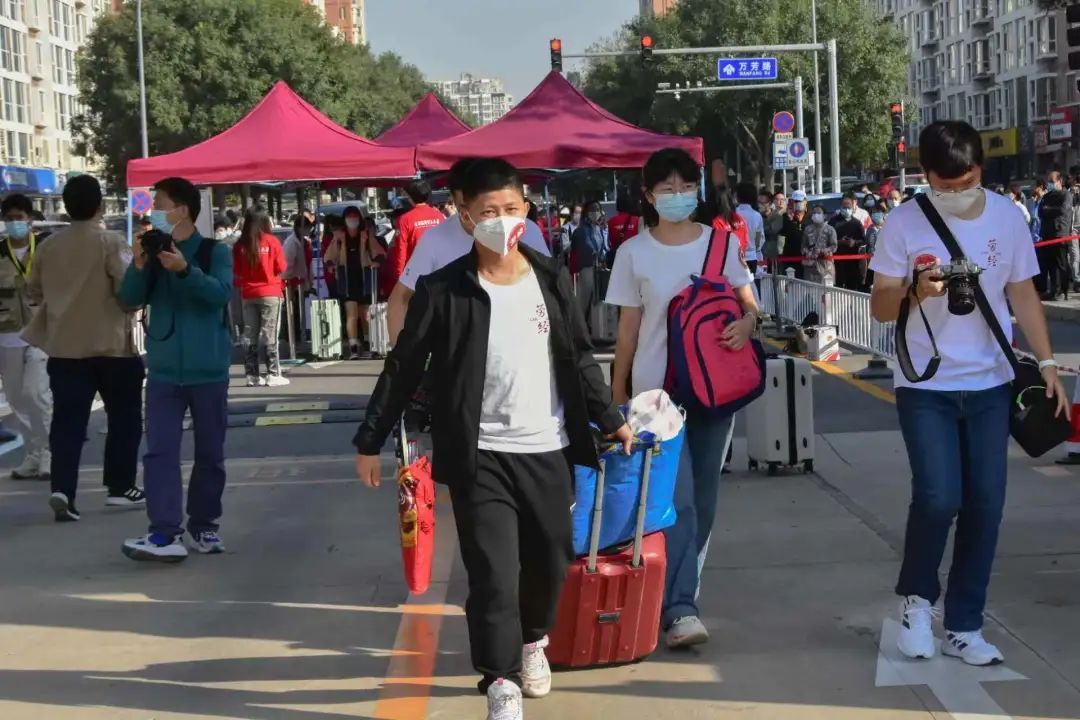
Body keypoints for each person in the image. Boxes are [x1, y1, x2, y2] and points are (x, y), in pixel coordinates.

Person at [354, 158, 631, 720]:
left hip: (547, 447)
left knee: (550, 560)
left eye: (510, 209)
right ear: (464, 215)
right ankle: (499, 680)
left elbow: (578, 358)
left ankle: (533, 641)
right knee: (493, 574)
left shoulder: (549, 278)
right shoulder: (443, 289)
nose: (501, 221)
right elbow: (403, 366)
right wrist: (370, 438)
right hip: (479, 454)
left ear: (526, 209)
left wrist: (611, 418)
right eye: (488, 212)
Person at [869, 120, 1067, 667]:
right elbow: (880, 305)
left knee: (985, 504)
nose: (957, 192)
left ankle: (964, 624)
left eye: (967, 181)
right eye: (945, 185)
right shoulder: (904, 222)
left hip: (990, 383)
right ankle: (917, 604)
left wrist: (1047, 362)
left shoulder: (1007, 216)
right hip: (926, 384)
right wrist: (915, 291)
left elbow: (1022, 294)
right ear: (926, 175)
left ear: (981, 167)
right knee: (938, 497)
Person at [606, 147, 757, 649]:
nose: (678, 195)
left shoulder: (721, 243)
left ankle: (680, 591)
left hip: (715, 389)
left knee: (705, 499)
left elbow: (749, 304)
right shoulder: (633, 253)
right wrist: (617, 395)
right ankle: (680, 609)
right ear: (648, 196)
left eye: (686, 186)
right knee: (679, 499)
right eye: (667, 188)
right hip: (656, 395)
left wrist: (747, 324)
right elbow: (628, 330)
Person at [117, 176, 233, 561]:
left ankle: (204, 525)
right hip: (164, 372)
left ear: (182, 210)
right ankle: (164, 533)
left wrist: (185, 270)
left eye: (160, 205)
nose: (154, 212)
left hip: (208, 370)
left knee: (210, 454)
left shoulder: (214, 251)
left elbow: (219, 295)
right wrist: (138, 264)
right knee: (160, 453)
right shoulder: (152, 255)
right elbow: (128, 300)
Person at [23, 175, 145, 521]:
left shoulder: (48, 246)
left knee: (67, 423)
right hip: (111, 347)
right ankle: (120, 487)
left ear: (66, 206)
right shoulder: (110, 241)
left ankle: (63, 489)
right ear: (100, 206)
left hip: (64, 349)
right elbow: (127, 291)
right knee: (124, 417)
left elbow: (33, 290)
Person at [386, 157, 550, 345]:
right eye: (464, 205)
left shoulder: (526, 230)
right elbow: (400, 298)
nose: (468, 211)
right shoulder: (435, 239)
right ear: (455, 203)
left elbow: (549, 286)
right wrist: (401, 355)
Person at [0, 194, 53, 480]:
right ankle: (33, 453)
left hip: (41, 332)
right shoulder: (0, 251)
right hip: (7, 334)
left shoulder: (45, 248)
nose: (14, 223)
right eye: (9, 219)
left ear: (30, 219)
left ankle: (48, 452)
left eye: (19, 218)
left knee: (36, 393)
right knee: (17, 398)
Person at [233, 205, 288, 387]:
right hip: (270, 292)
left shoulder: (240, 245)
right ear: (265, 221)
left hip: (248, 293)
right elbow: (281, 267)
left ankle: (252, 375)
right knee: (270, 333)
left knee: (250, 334)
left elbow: (237, 271)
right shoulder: (272, 241)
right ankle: (273, 373)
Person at [324, 206, 385, 359]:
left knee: (365, 315)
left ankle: (368, 344)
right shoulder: (339, 236)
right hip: (346, 279)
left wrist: (377, 261)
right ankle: (353, 349)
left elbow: (379, 252)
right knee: (352, 314)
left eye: (355, 217)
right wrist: (331, 265)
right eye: (349, 217)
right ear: (344, 219)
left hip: (364, 278)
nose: (352, 220)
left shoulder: (366, 235)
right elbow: (328, 256)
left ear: (359, 219)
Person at [386, 180, 445, 288]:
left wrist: (400, 279)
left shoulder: (404, 219)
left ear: (410, 197)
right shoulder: (439, 216)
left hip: (415, 277)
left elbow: (401, 252)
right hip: (438, 274)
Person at [569, 200, 609, 332]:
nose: (595, 212)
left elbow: (605, 246)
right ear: (586, 212)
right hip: (587, 268)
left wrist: (604, 229)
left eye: (597, 209)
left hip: (599, 269)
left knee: (596, 299)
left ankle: (593, 327)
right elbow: (584, 247)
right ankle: (579, 328)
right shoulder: (581, 231)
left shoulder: (600, 229)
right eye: (592, 209)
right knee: (585, 300)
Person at [1037, 170, 1074, 300]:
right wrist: (1049, 210)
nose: (1049, 184)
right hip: (1047, 234)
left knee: (1061, 264)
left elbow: (1063, 210)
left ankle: (1062, 291)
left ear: (1060, 181)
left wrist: (1048, 209)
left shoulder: (1066, 195)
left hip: (1060, 234)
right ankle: (1053, 290)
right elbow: (1040, 211)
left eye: (1052, 181)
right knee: (1050, 265)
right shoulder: (1047, 196)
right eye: (1048, 181)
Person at [831, 192, 867, 290]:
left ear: (852, 207)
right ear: (840, 206)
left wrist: (854, 242)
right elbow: (827, 240)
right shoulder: (833, 222)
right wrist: (839, 242)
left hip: (853, 263)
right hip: (837, 263)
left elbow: (864, 240)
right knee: (838, 290)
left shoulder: (857, 223)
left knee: (852, 288)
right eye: (844, 207)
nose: (847, 209)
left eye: (849, 207)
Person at [734, 182, 764, 277]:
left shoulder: (733, 214)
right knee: (752, 283)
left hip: (734, 257)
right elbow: (759, 239)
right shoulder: (757, 215)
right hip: (752, 257)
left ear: (737, 196)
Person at [802, 205, 838, 284]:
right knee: (810, 289)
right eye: (814, 213)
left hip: (825, 265)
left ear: (824, 216)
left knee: (826, 289)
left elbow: (834, 246)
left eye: (818, 213)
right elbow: (803, 246)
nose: (816, 215)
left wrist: (823, 251)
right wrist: (807, 252)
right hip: (810, 266)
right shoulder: (807, 229)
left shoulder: (830, 229)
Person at [607, 191, 641, 261]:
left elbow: (610, 240)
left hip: (618, 257)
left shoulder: (611, 221)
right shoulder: (637, 220)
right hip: (634, 257)